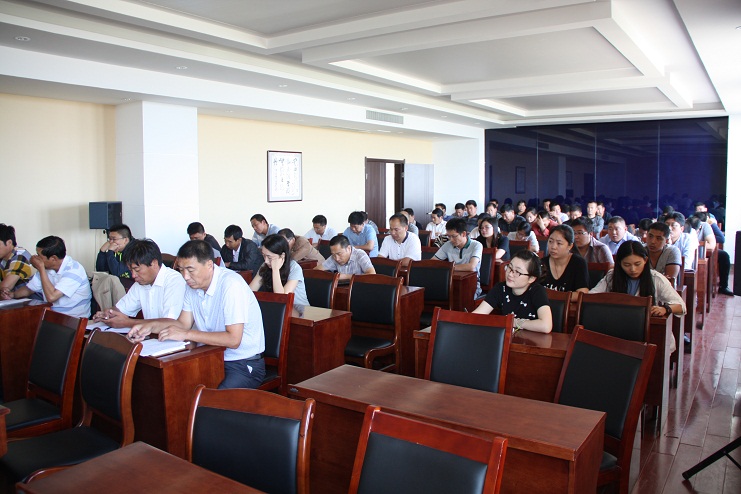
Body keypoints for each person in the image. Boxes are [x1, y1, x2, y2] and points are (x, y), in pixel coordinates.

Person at [128, 240, 265, 389]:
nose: (185, 276)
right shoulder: (192, 286)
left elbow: (233, 340)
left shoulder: (231, 285)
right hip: (210, 357)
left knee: (208, 398)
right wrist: (149, 327)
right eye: (181, 270)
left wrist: (187, 334)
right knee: (174, 387)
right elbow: (183, 324)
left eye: (190, 270)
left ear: (209, 265)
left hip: (242, 363)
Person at [590, 241, 686, 352]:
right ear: (619, 263)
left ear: (645, 260)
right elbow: (591, 296)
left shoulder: (656, 278)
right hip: (618, 332)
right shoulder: (612, 276)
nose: (633, 269)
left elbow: (681, 306)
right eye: (626, 265)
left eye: (637, 264)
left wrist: (665, 309)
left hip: (650, 334)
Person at [92, 239, 186, 328]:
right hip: (150, 336)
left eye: (137, 270)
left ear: (154, 263)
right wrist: (108, 313)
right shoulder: (141, 283)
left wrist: (127, 322)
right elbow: (121, 309)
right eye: (131, 270)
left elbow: (169, 323)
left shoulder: (174, 281)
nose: (133, 275)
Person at [9, 236, 91, 318]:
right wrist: (12, 295)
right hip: (52, 317)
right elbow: (30, 289)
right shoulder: (47, 268)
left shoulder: (74, 270)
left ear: (53, 258)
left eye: (39, 256)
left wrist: (41, 269)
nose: (36, 258)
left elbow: (52, 297)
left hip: (73, 319)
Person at [474, 250, 553, 333]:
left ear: (531, 278)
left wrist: (514, 322)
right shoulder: (501, 288)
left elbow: (546, 326)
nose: (510, 274)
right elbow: (477, 315)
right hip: (507, 338)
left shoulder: (537, 291)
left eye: (517, 272)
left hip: (532, 339)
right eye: (510, 267)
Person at [250, 234, 309, 307]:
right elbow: (250, 291)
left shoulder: (295, 268)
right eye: (263, 255)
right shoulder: (265, 265)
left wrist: (275, 270)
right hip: (276, 308)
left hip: (299, 309)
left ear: (282, 256)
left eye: (269, 257)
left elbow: (282, 298)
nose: (266, 261)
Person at [433, 218, 483, 297]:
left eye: (454, 236)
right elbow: (433, 262)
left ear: (463, 234)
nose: (451, 240)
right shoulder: (448, 245)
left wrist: (448, 268)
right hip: (450, 281)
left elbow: (471, 266)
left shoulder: (476, 245)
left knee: (462, 297)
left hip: (471, 283)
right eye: (449, 236)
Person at [541, 225, 589, 296]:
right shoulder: (541, 263)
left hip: (568, 303)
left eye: (559, 243)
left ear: (570, 246)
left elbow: (582, 293)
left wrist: (557, 297)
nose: (553, 247)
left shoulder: (578, 263)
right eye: (550, 241)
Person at [0, 224, 32, 299]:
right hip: (15, 301)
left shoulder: (20, 256)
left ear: (9, 242)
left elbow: (5, 287)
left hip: (33, 301)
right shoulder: (3, 257)